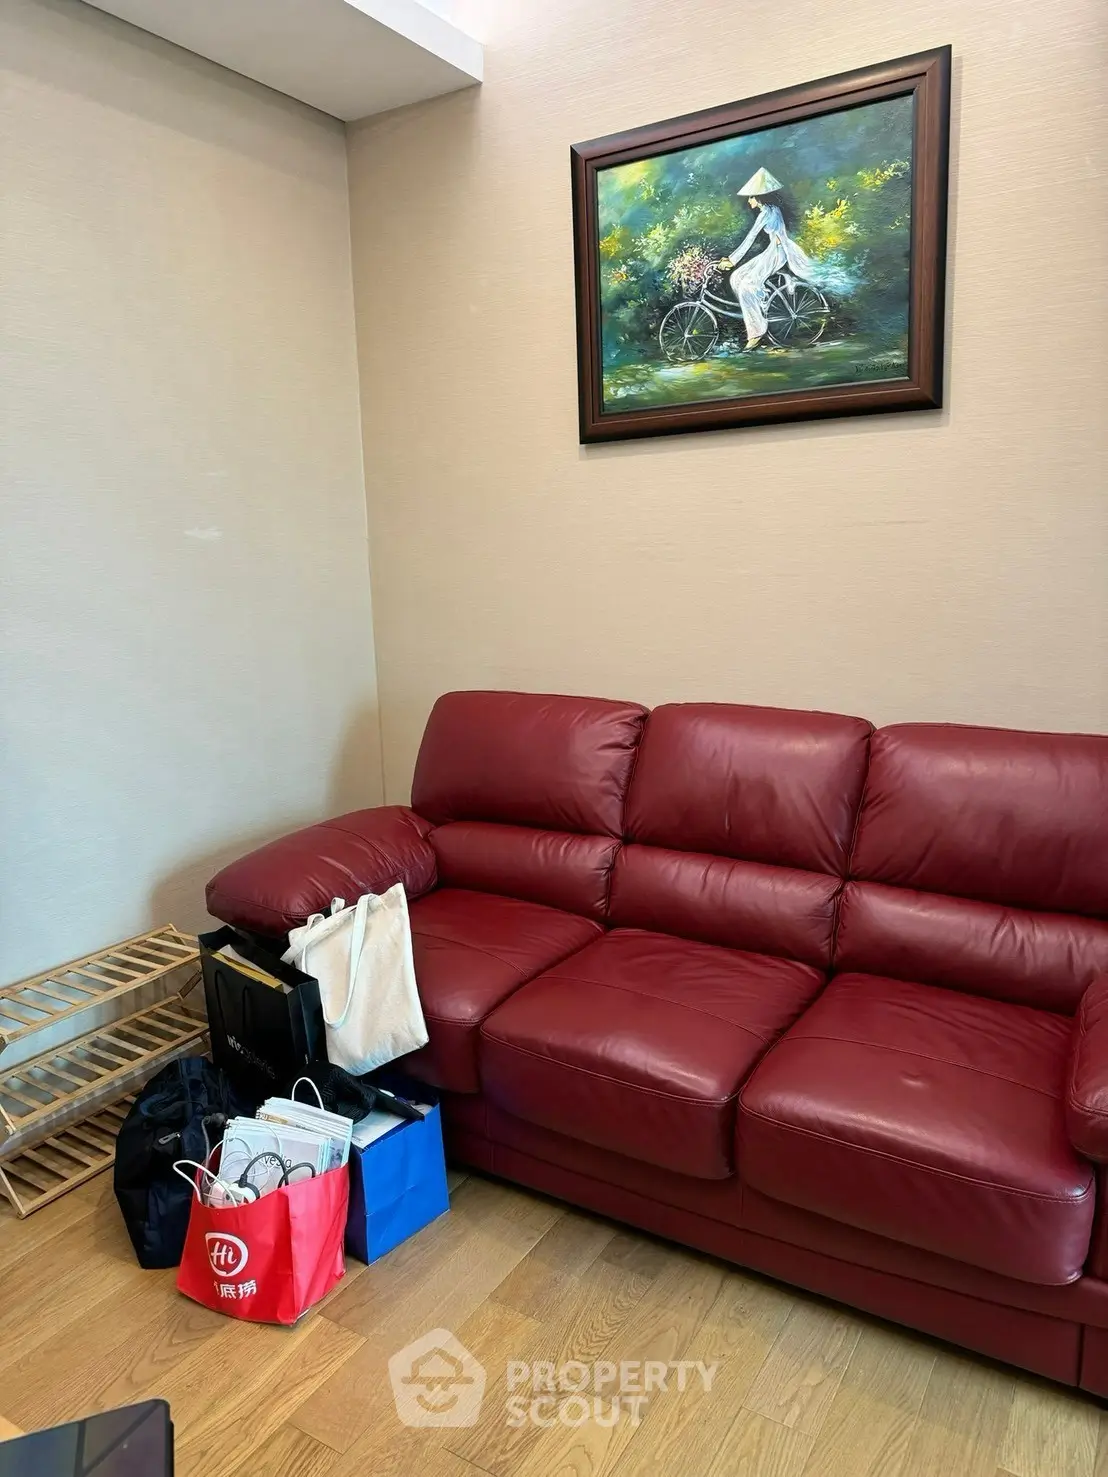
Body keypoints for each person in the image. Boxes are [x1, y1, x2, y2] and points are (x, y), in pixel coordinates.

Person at [718, 167, 815, 350]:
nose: (749, 201)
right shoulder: (771, 209)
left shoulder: (768, 212)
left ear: (759, 197)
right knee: (737, 277)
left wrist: (731, 260)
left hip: (778, 251)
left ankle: (756, 332)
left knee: (747, 286)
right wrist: (732, 263)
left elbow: (751, 237)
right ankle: (761, 299)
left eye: (751, 197)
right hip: (773, 249)